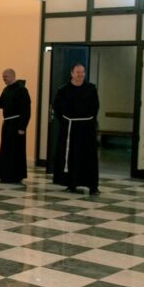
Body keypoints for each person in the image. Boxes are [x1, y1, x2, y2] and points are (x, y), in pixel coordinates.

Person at [52, 63, 99, 195]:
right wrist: (66, 121)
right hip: (70, 127)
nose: (81, 75)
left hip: (86, 128)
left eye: (82, 72)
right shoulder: (63, 90)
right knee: (71, 156)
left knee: (88, 156)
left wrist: (89, 121)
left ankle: (92, 186)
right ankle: (71, 183)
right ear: (72, 73)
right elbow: (57, 108)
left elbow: (95, 107)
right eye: (78, 72)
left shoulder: (91, 89)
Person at [0, 68, 31, 184]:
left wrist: (22, 127)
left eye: (5, 76)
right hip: (7, 123)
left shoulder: (21, 90)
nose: (3, 79)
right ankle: (5, 174)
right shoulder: (6, 89)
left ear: (12, 76)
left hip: (17, 124)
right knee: (6, 149)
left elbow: (26, 110)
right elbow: (0, 103)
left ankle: (15, 175)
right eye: (3, 77)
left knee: (15, 150)